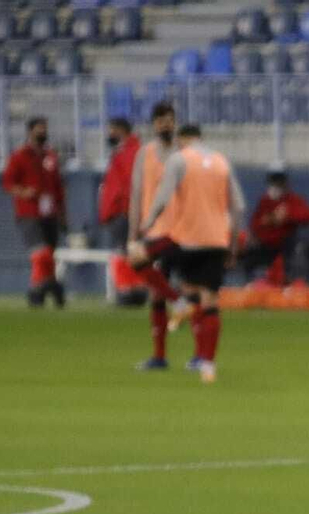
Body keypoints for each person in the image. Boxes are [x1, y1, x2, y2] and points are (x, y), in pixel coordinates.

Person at [139, 124, 243, 384]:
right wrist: (232, 246)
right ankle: (207, 366)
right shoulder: (221, 161)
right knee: (208, 300)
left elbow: (163, 196)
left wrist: (148, 222)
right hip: (216, 240)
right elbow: (238, 207)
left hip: (184, 239)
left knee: (136, 258)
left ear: (182, 140)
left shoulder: (179, 159)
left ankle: (177, 302)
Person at [129, 102, 185, 371]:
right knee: (156, 294)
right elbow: (137, 194)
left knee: (192, 289)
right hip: (154, 230)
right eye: (160, 120)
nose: (165, 124)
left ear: (175, 123)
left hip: (181, 230)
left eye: (169, 120)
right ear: (153, 124)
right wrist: (133, 232)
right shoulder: (145, 154)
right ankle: (160, 356)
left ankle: (200, 356)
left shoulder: (184, 153)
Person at [1, 116, 66, 308]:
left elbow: (58, 187)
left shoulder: (50, 156)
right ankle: (38, 288)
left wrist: (63, 213)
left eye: (45, 128)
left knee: (50, 255)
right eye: (39, 129)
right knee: (41, 253)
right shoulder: (19, 156)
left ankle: (51, 287)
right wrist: (23, 191)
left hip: (50, 213)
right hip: (29, 212)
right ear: (30, 131)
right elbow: (8, 183)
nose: (43, 132)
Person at [241, 170, 309, 286]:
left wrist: (288, 215)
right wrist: (270, 219)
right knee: (249, 257)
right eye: (273, 185)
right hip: (264, 245)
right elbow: (255, 223)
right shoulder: (265, 201)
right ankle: (250, 285)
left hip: (285, 245)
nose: (275, 188)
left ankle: (288, 285)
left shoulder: (293, 200)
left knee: (290, 258)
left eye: (279, 185)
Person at [98, 117, 139, 249]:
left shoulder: (130, 152)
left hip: (123, 215)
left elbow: (130, 185)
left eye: (111, 130)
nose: (109, 134)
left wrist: (124, 211)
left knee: (124, 257)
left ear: (120, 130)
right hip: (117, 214)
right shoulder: (121, 152)